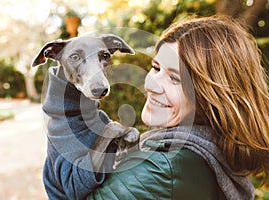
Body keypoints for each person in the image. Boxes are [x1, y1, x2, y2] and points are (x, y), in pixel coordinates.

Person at [42, 15, 269, 200]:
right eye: (155, 67)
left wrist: (62, 114)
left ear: (212, 94)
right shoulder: (209, 146)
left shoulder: (165, 167)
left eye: (175, 78)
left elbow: (71, 188)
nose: (150, 84)